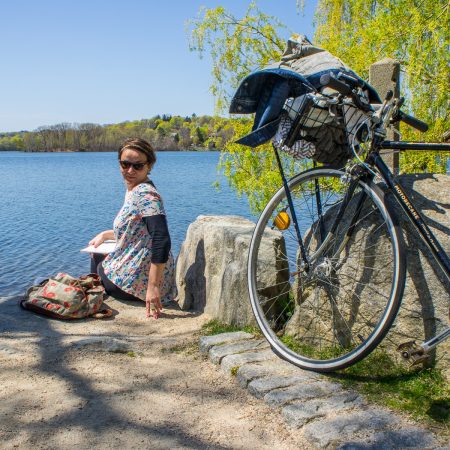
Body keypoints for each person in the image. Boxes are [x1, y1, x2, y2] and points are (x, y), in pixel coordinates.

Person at [89, 138, 176, 319]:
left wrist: (153, 287)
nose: (130, 170)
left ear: (149, 165)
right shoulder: (135, 188)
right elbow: (137, 230)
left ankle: (93, 297)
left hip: (138, 285)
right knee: (99, 248)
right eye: (125, 164)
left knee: (97, 259)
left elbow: (162, 238)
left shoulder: (145, 194)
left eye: (138, 166)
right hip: (142, 276)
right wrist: (105, 235)